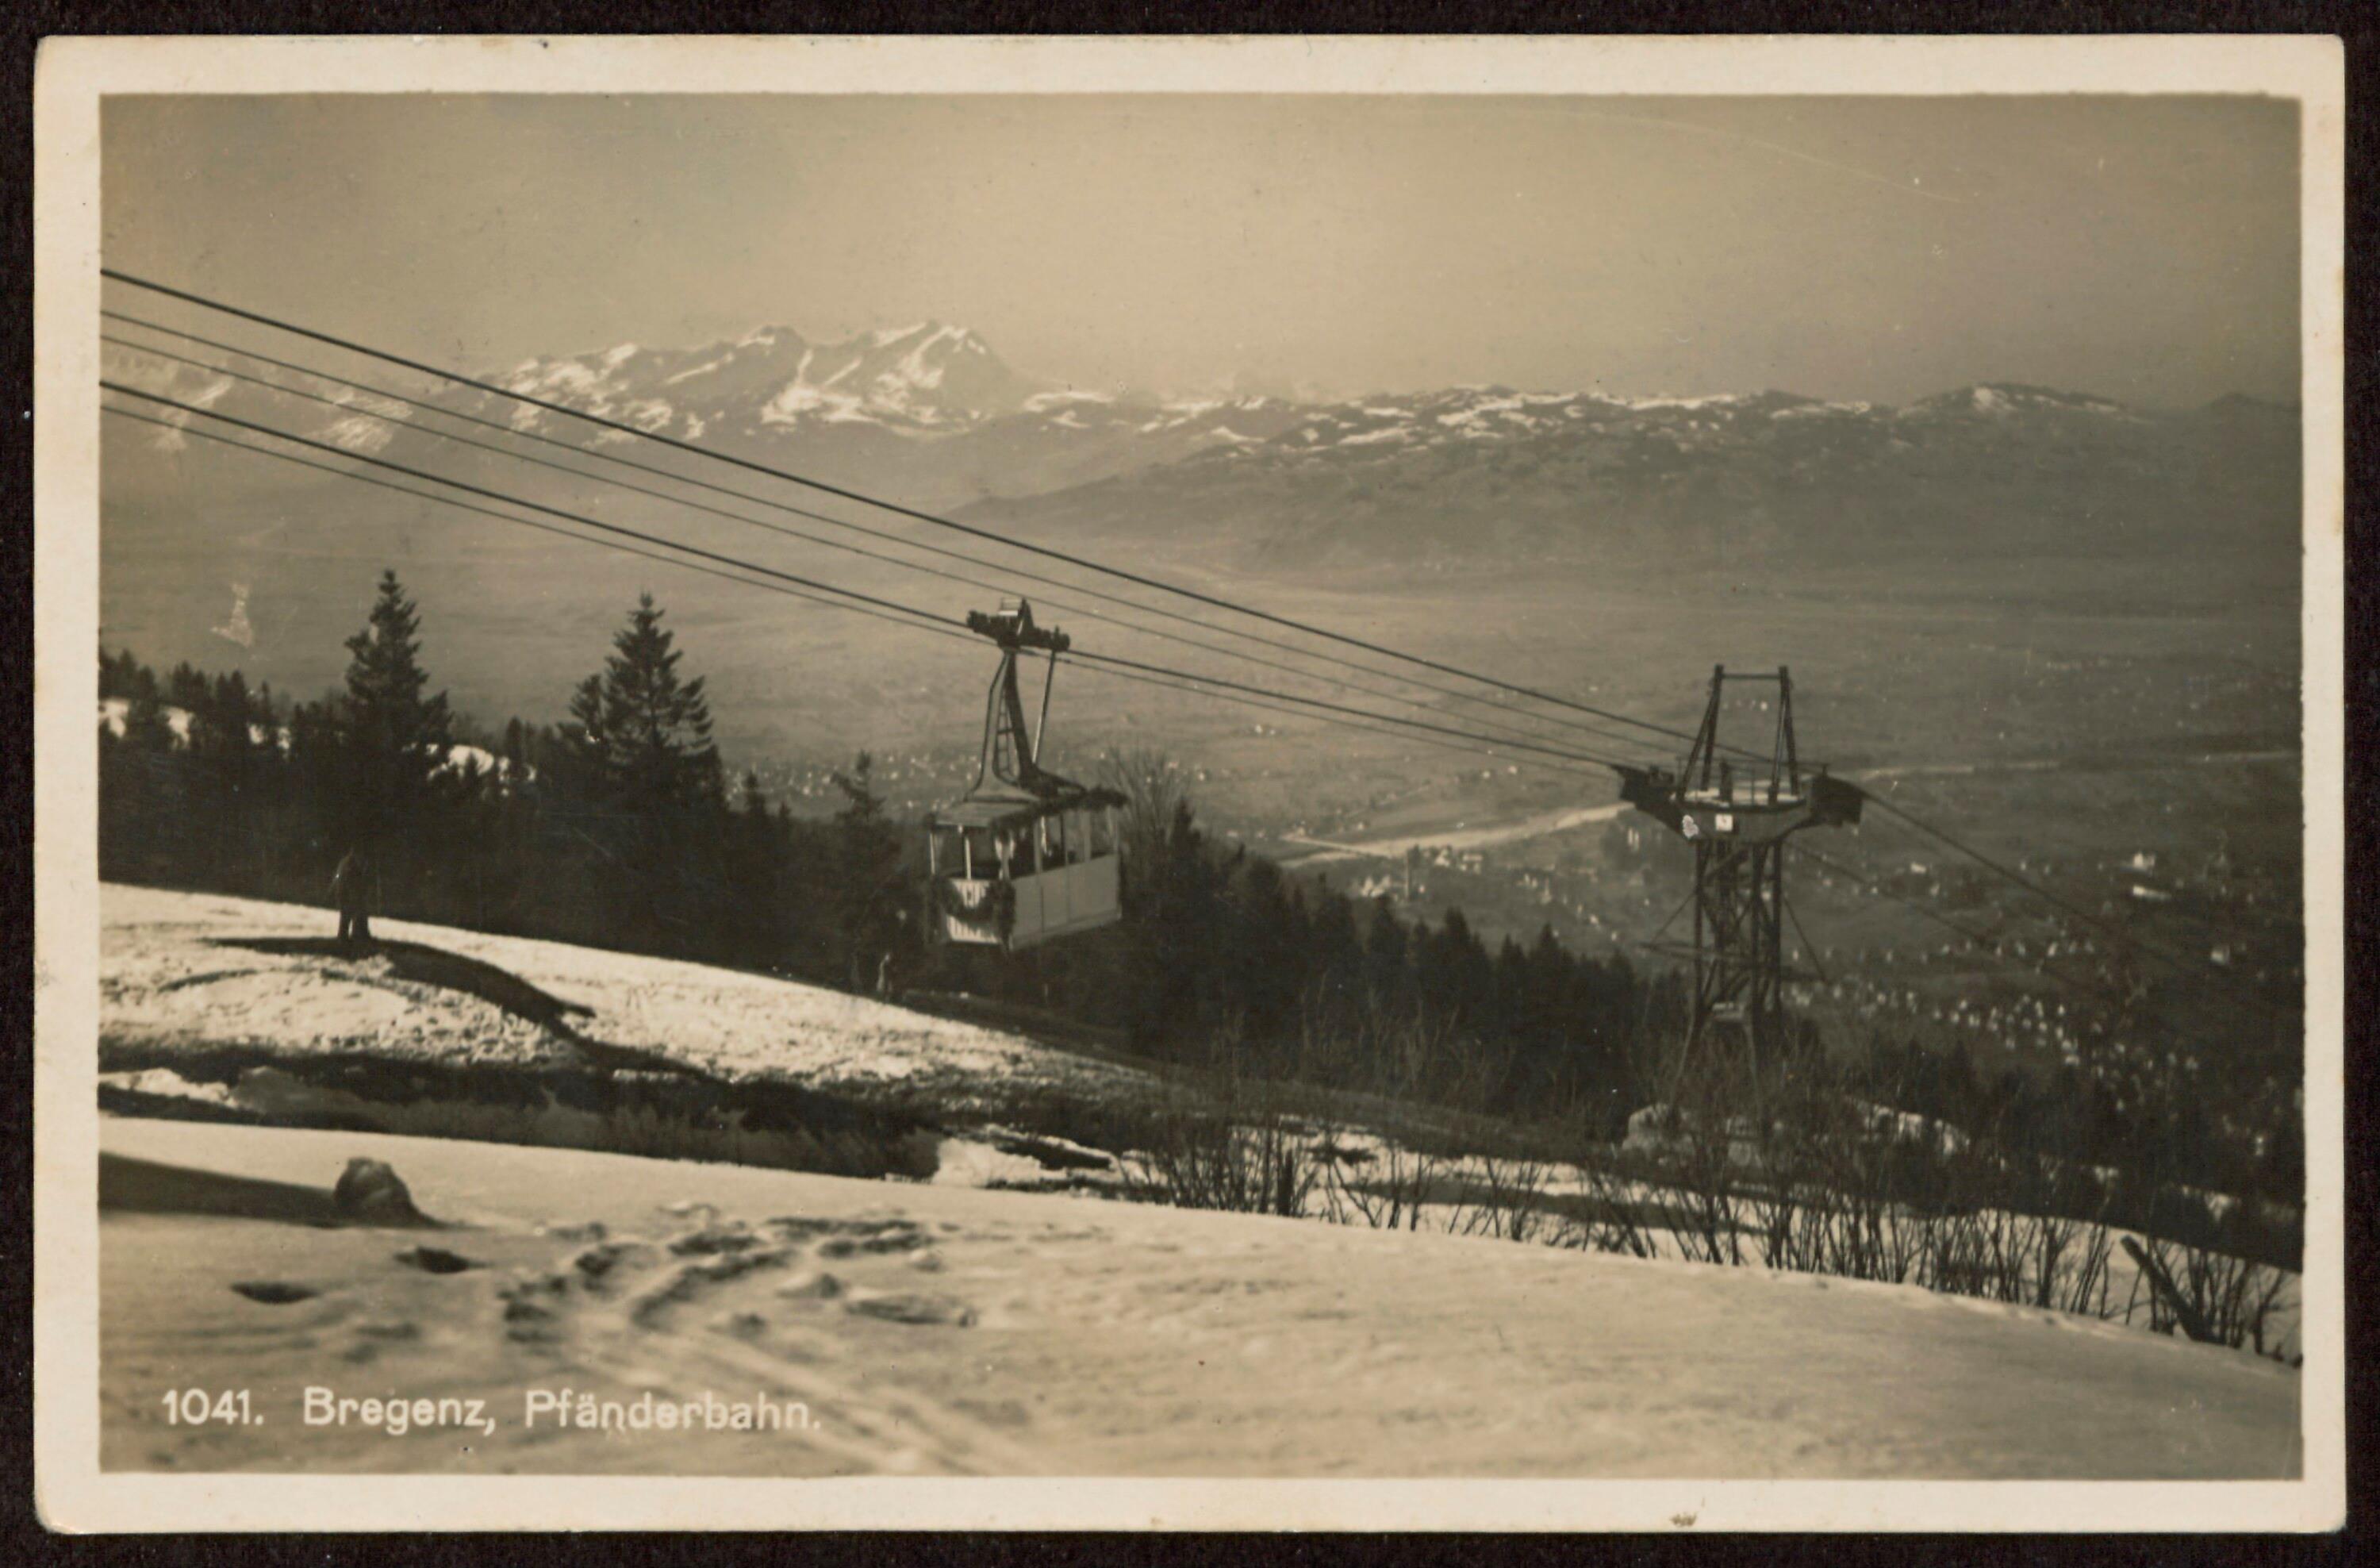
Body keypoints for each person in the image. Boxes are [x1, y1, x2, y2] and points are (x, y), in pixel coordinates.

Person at [332, 847, 379, 947]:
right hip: (346, 896)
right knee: (348, 916)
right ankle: (345, 940)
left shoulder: (351, 862)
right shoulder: (349, 864)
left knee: (357, 915)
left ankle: (358, 936)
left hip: (350, 895)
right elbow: (348, 882)